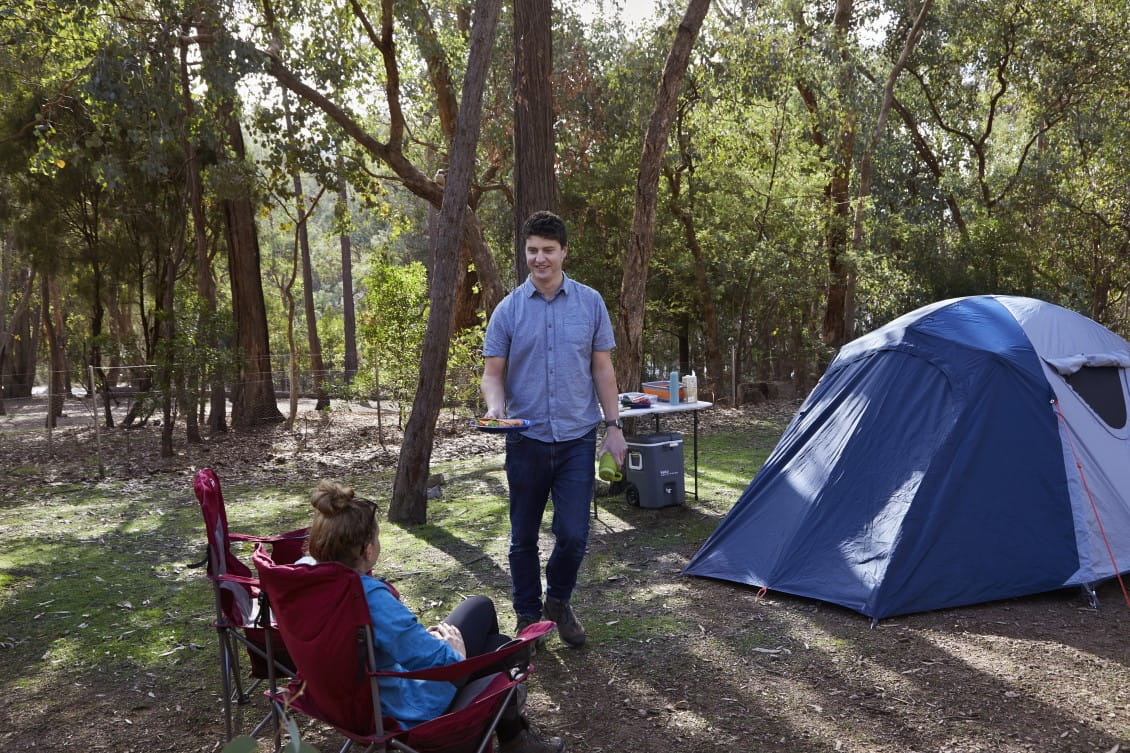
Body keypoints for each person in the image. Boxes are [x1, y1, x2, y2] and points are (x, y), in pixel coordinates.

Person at [300, 480, 564, 753]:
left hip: (344, 701)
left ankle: (514, 735)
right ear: (367, 549)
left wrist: (425, 642)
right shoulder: (366, 597)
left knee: (487, 623)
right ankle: (506, 734)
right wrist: (453, 652)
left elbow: (392, 643)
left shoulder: (306, 582)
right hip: (402, 708)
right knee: (498, 643)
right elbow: (441, 663)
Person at [480, 210, 628, 648]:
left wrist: (614, 427)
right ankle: (528, 616)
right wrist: (495, 408)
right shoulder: (508, 310)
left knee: (574, 536)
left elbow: (603, 370)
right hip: (525, 440)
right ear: (524, 252)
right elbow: (492, 374)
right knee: (523, 537)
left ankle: (558, 602)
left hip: (577, 440)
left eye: (548, 250)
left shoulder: (591, 303)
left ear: (564, 252)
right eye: (532, 250)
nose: (539, 258)